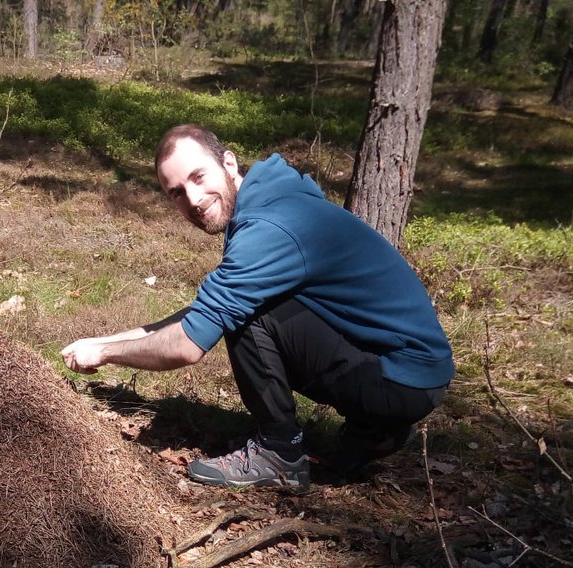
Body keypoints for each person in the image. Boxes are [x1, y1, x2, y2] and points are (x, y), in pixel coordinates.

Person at [61, 124, 454, 492]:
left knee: (249, 313)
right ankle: (377, 429)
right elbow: (204, 313)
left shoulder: (268, 228)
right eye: (176, 192)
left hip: (403, 378)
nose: (193, 200)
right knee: (240, 305)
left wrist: (107, 353)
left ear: (228, 163)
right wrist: (102, 341)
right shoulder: (273, 199)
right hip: (413, 371)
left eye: (198, 177)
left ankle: (280, 453)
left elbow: (187, 345)